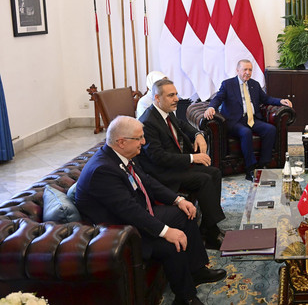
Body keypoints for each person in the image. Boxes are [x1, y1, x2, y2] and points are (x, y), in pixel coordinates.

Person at [75, 116, 226, 305]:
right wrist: (165, 231)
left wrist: (178, 199)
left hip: (137, 214)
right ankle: (185, 297)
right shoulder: (102, 171)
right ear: (121, 142)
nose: (144, 142)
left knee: (184, 212)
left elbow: (147, 182)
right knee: (172, 242)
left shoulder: (122, 156)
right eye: (139, 138)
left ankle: (196, 271)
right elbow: (128, 211)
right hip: (118, 232)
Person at [138, 78, 226, 249]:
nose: (176, 98)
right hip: (162, 173)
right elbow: (158, 157)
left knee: (214, 172)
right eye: (171, 95)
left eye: (176, 94)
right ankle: (211, 232)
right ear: (157, 98)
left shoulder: (166, 112)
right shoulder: (148, 122)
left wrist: (198, 134)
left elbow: (184, 127)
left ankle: (208, 225)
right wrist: (192, 158)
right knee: (204, 179)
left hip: (175, 164)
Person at [204, 59, 292, 181]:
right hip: (234, 121)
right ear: (237, 70)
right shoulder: (228, 84)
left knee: (270, 129)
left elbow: (265, 99)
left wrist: (280, 101)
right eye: (245, 69)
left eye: (250, 70)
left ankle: (263, 165)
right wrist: (211, 107)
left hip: (251, 119)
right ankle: (250, 168)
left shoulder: (254, 84)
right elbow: (218, 98)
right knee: (246, 132)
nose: (248, 72)